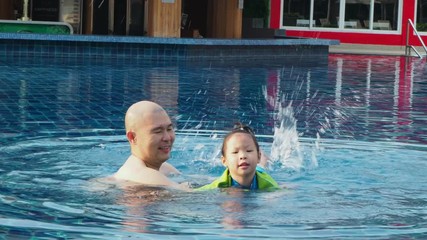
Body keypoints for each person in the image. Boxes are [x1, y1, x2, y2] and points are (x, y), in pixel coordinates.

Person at [113, 100, 188, 190]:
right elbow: (192, 196)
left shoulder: (164, 168)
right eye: (158, 131)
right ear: (132, 137)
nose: (167, 138)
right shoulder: (144, 175)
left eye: (169, 129)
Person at [197, 123, 280, 191]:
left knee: (262, 167)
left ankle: (262, 158)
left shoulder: (269, 184)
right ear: (224, 161)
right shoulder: (218, 185)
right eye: (235, 152)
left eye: (248, 151)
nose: (243, 156)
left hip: (259, 172)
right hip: (253, 167)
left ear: (258, 157)